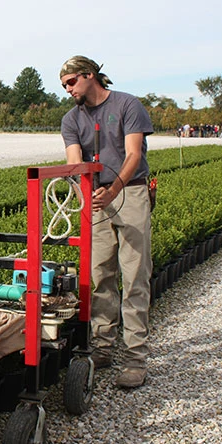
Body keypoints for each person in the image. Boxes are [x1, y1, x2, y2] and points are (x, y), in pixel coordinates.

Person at [58, 56, 154, 388]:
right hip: (95, 201)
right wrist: (85, 191)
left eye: (71, 82)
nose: (68, 90)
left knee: (135, 276)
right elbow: (74, 161)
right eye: (64, 86)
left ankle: (135, 359)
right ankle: (102, 347)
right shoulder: (71, 119)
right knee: (99, 276)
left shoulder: (128, 105)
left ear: (90, 75)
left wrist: (113, 190)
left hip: (130, 194)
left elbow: (133, 154)